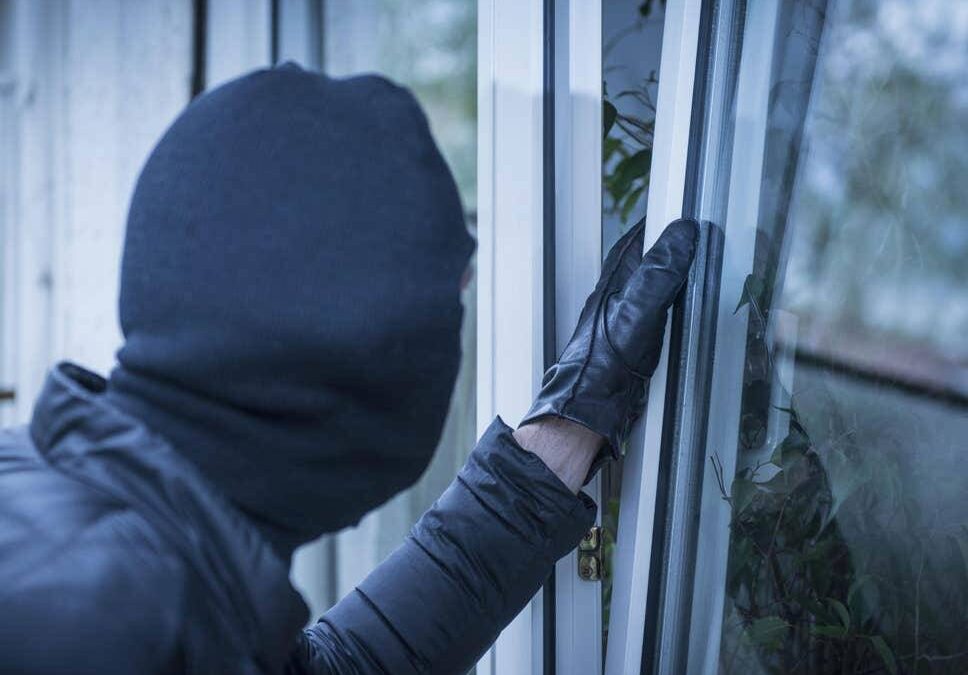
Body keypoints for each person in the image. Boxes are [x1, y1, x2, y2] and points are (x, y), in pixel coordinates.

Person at [0, 63, 695, 674]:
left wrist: (560, 436)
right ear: (357, 365)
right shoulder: (102, 631)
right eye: (450, 298)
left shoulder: (100, 548)